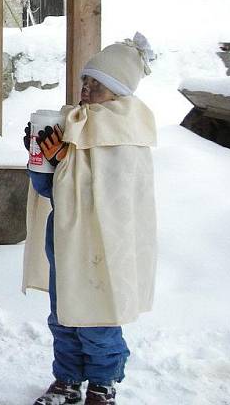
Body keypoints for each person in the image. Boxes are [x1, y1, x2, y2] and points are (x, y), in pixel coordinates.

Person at [23, 33, 157, 405]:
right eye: (85, 80)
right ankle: (66, 379)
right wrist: (41, 161)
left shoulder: (129, 131)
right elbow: (50, 191)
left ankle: (103, 381)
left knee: (98, 315)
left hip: (104, 242)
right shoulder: (71, 120)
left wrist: (65, 162)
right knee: (63, 312)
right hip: (66, 237)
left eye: (96, 84)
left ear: (116, 90)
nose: (86, 88)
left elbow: (117, 197)